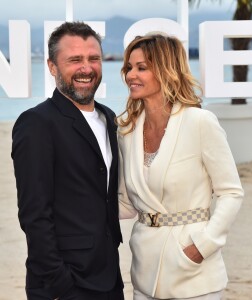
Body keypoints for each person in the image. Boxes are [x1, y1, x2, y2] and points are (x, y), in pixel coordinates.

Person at [117, 33, 244, 300]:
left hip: (194, 272)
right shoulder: (126, 131)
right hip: (144, 271)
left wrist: (203, 246)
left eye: (142, 67)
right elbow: (128, 203)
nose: (130, 75)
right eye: (129, 67)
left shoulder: (200, 122)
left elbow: (231, 192)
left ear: (165, 70)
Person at [11, 21, 124, 300]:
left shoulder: (109, 118)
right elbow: (34, 214)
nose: (86, 68)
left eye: (93, 59)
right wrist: (59, 282)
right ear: (52, 67)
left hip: (109, 278)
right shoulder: (37, 123)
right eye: (75, 60)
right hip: (63, 284)